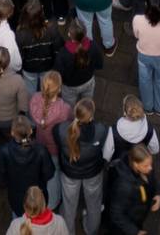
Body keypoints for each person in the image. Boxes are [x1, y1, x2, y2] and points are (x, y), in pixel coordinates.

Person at [53, 98, 108, 235]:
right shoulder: (101, 130)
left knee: (68, 205)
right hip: (93, 173)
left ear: (75, 112)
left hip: (70, 173)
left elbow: (58, 142)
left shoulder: (61, 129)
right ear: (91, 116)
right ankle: (91, 230)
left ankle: (68, 231)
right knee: (94, 203)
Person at [132, 0, 160, 117]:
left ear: (146, 4)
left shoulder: (137, 20)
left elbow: (136, 35)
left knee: (145, 80)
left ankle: (147, 107)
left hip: (144, 55)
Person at [107, 143, 160, 234]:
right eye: (146, 165)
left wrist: (157, 193)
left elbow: (153, 181)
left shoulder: (145, 167)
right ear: (135, 164)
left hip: (138, 215)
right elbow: (116, 213)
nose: (150, 168)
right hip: (130, 221)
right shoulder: (124, 186)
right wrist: (134, 231)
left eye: (151, 164)